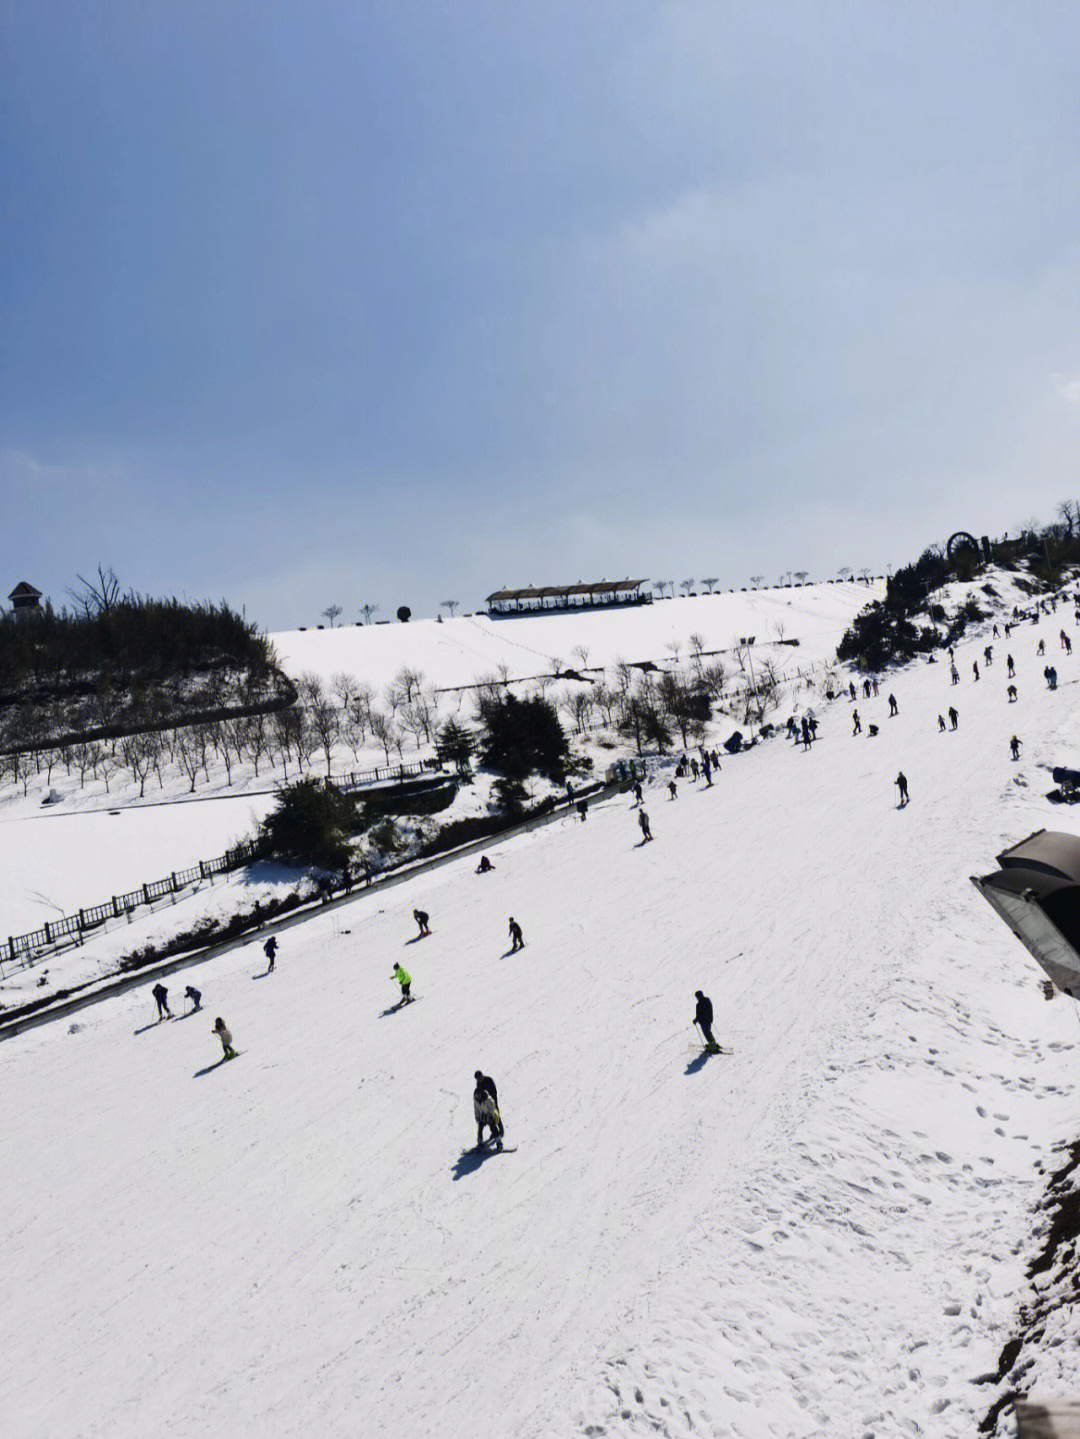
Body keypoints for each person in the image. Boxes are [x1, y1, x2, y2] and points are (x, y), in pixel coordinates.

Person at [473, 1070, 503, 1149]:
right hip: (483, 1103)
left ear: (482, 1076)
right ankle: (481, 1142)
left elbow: (494, 1091)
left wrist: (489, 1098)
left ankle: (501, 1130)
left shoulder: (489, 1080)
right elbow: (477, 1108)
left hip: (491, 1100)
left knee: (495, 1117)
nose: (478, 1080)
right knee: (481, 1125)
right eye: (477, 1079)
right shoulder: (478, 1087)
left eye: (479, 1078)